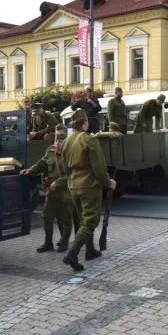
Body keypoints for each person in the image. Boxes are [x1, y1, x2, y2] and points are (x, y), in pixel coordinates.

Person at [61, 108, 115, 271]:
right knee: (90, 220)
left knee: (83, 219)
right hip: (89, 185)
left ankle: (90, 250)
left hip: (73, 185)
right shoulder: (89, 140)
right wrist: (108, 183)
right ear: (84, 122)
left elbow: (64, 165)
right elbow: (99, 167)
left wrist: (71, 179)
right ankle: (73, 254)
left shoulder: (66, 141)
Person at [22, 126, 72, 253]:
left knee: (65, 218)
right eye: (56, 140)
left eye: (60, 141)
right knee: (47, 216)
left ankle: (64, 242)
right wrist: (31, 170)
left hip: (66, 191)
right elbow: (41, 163)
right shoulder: (50, 152)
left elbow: (73, 174)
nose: (57, 143)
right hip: (52, 190)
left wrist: (58, 182)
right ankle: (48, 242)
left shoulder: (71, 154)